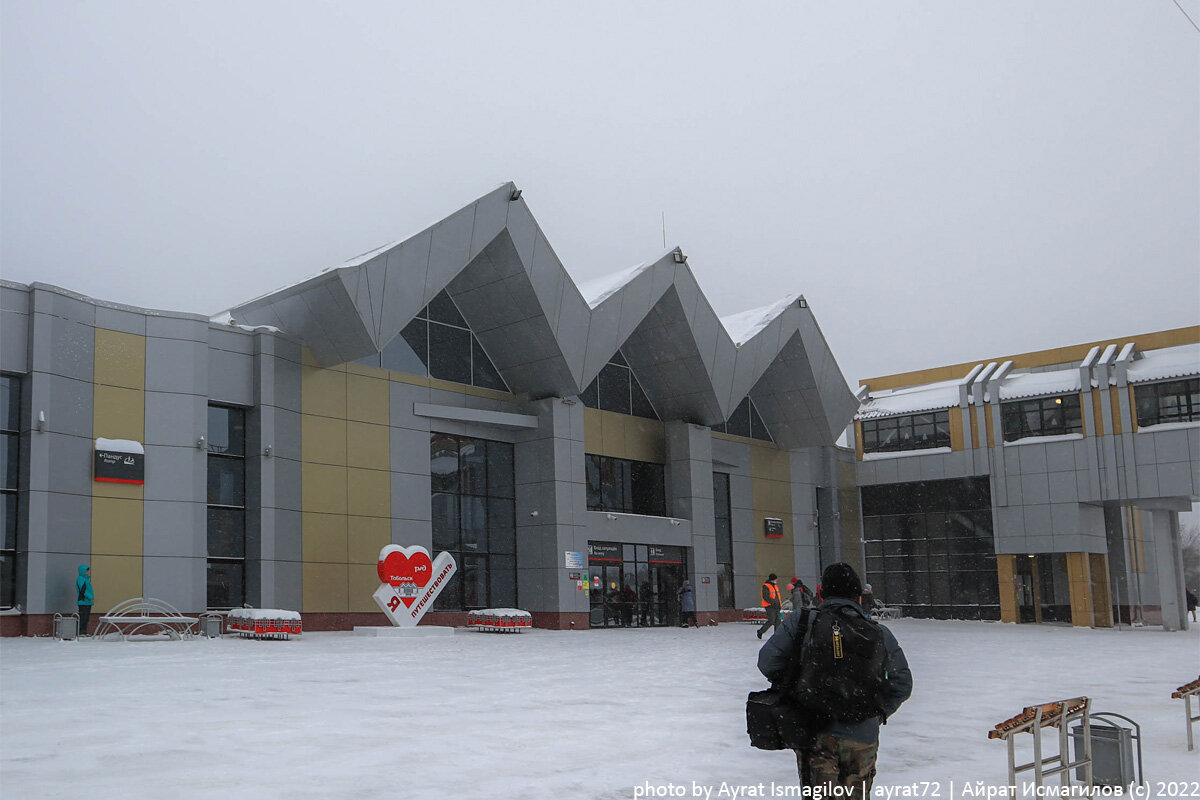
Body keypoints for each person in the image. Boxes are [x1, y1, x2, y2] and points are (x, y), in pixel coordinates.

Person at [757, 563, 912, 797]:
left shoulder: (803, 621)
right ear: (858, 596)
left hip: (814, 730)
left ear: (822, 594)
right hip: (863, 736)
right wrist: (876, 712)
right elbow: (902, 684)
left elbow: (767, 662)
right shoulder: (879, 632)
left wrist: (796, 685)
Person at [757, 574, 782, 640]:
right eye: (776, 579)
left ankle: (777, 636)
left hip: (776, 606)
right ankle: (760, 631)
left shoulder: (775, 586)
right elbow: (766, 596)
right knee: (771, 620)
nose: (777, 580)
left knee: (778, 621)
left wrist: (779, 604)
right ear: (773, 579)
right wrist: (773, 603)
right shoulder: (766, 586)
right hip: (769, 606)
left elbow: (777, 596)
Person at [76, 564, 94, 635]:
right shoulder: (80, 579)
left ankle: (84, 631)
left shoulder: (86, 579)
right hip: (83, 601)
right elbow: (83, 590)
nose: (87, 572)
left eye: (88, 571)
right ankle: (80, 631)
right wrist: (90, 597)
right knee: (83, 617)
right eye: (86, 570)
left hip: (87, 602)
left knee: (86, 618)